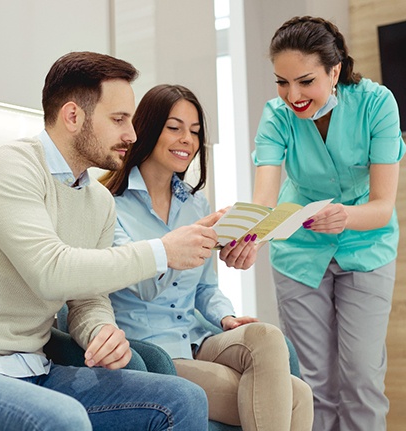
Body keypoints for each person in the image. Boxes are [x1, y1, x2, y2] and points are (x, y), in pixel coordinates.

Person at [0, 51, 220, 430]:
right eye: (119, 120)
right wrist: (161, 251)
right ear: (73, 116)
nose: (131, 134)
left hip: (37, 367)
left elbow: (87, 298)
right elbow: (52, 271)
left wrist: (99, 330)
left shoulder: (97, 200)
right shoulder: (9, 167)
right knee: (64, 419)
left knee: (182, 398)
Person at [100, 84, 314, 431]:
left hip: (198, 337)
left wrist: (225, 317)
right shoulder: (109, 204)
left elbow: (205, 289)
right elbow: (142, 287)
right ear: (148, 128)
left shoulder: (195, 204)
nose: (187, 139)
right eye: (175, 127)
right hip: (153, 351)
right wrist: (183, 241)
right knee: (297, 397)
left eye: (195, 131)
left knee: (268, 337)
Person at [251, 16, 406, 431]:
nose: (293, 96)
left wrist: (345, 217)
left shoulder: (377, 104)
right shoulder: (276, 116)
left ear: (334, 70)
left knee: (362, 378)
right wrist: (247, 234)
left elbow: (382, 207)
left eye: (305, 81)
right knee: (312, 384)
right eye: (282, 82)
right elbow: (264, 199)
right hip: (299, 251)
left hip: (365, 246)